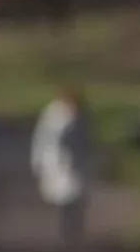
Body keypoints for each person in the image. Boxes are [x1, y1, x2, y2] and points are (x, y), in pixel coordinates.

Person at [30, 85, 93, 242]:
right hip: (56, 163)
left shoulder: (81, 118)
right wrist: (39, 162)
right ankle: (67, 227)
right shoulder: (54, 117)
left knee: (77, 195)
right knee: (65, 195)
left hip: (76, 163)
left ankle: (74, 227)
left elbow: (86, 140)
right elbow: (43, 140)